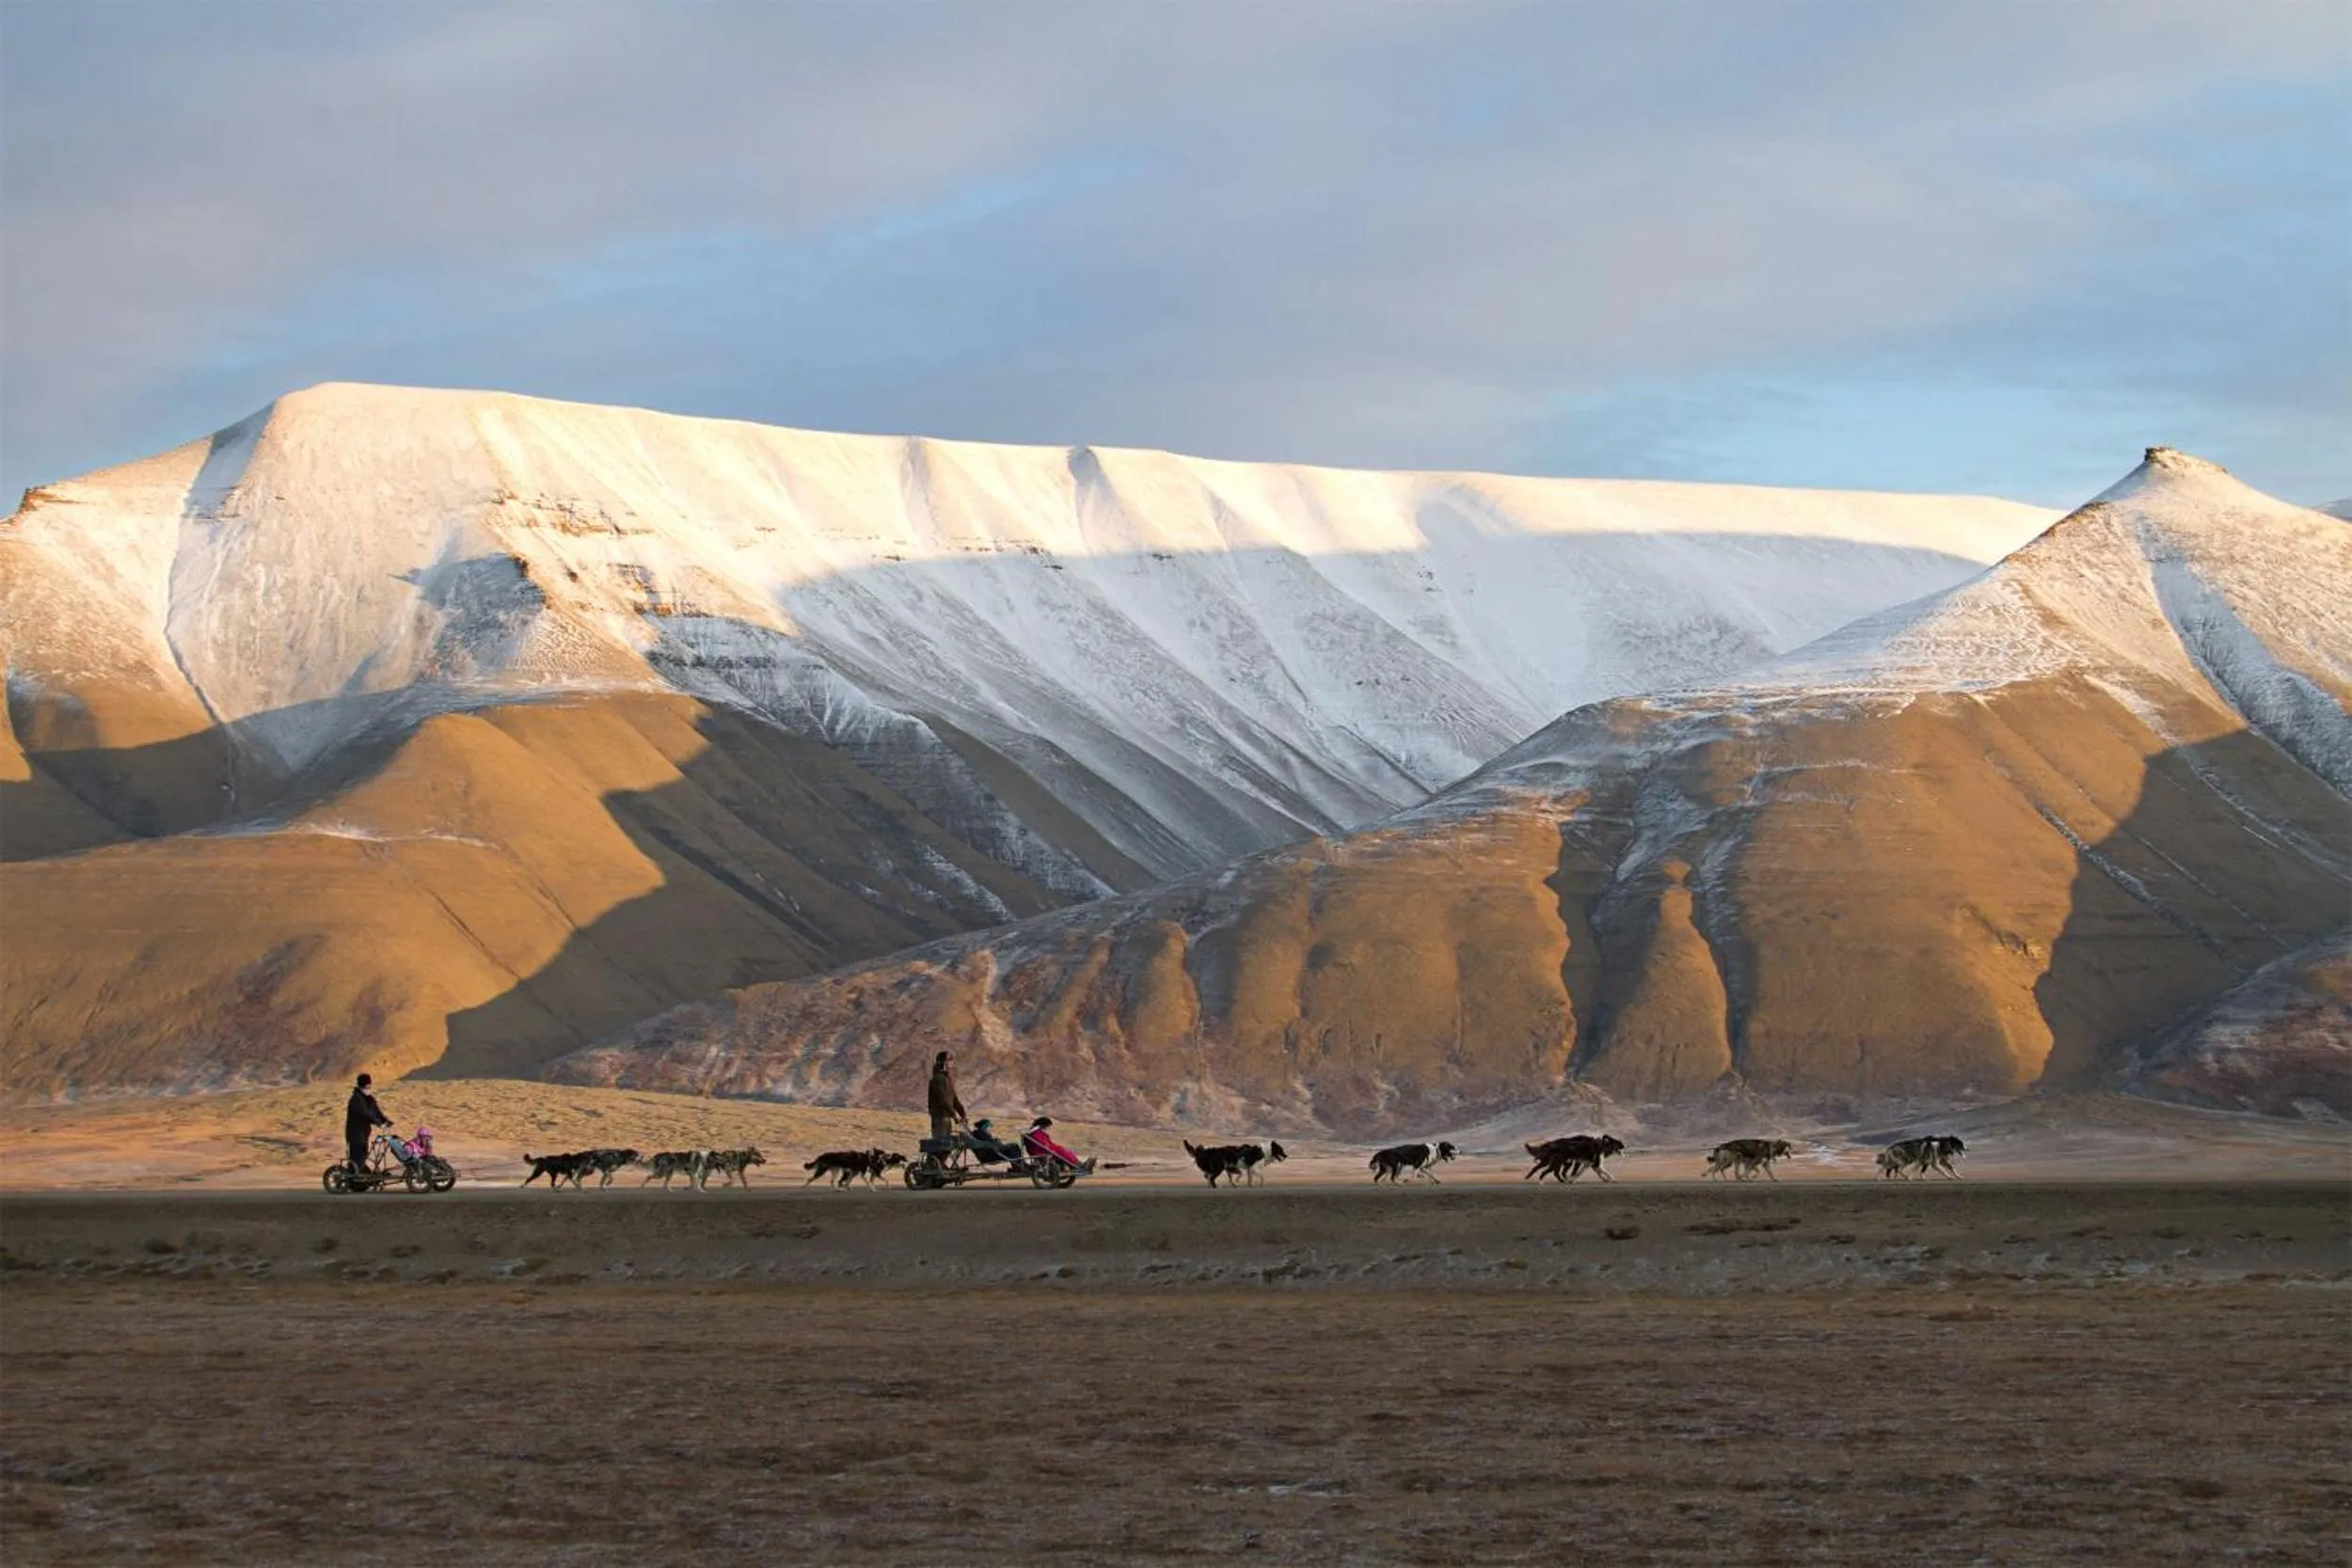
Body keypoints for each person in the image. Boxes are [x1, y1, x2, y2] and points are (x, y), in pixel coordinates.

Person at [343, 1072, 392, 1173]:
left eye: (369, 1086)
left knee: (364, 1153)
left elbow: (376, 1111)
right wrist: (379, 1123)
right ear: (362, 1086)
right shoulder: (356, 1099)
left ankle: (359, 1176)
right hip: (355, 1133)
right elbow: (366, 1114)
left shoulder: (369, 1099)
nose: (369, 1088)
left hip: (364, 1132)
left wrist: (386, 1121)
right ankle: (354, 1177)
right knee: (358, 1155)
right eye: (367, 1086)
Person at [1021, 1116, 1092, 1174]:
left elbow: (1046, 1143)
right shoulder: (1036, 1133)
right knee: (1062, 1151)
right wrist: (1052, 1149)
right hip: (1041, 1152)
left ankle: (1077, 1164)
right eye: (1047, 1126)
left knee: (1065, 1150)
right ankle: (1077, 1165)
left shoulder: (1037, 1132)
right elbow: (1042, 1144)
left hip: (1045, 1150)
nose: (1048, 1128)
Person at [927, 1051, 967, 1143]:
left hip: (947, 1117)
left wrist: (963, 1114)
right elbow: (942, 1099)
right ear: (944, 1062)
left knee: (945, 1145)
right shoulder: (937, 1079)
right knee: (939, 1146)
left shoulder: (947, 1079)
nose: (952, 1062)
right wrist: (954, 1115)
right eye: (950, 1059)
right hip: (940, 1117)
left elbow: (955, 1100)